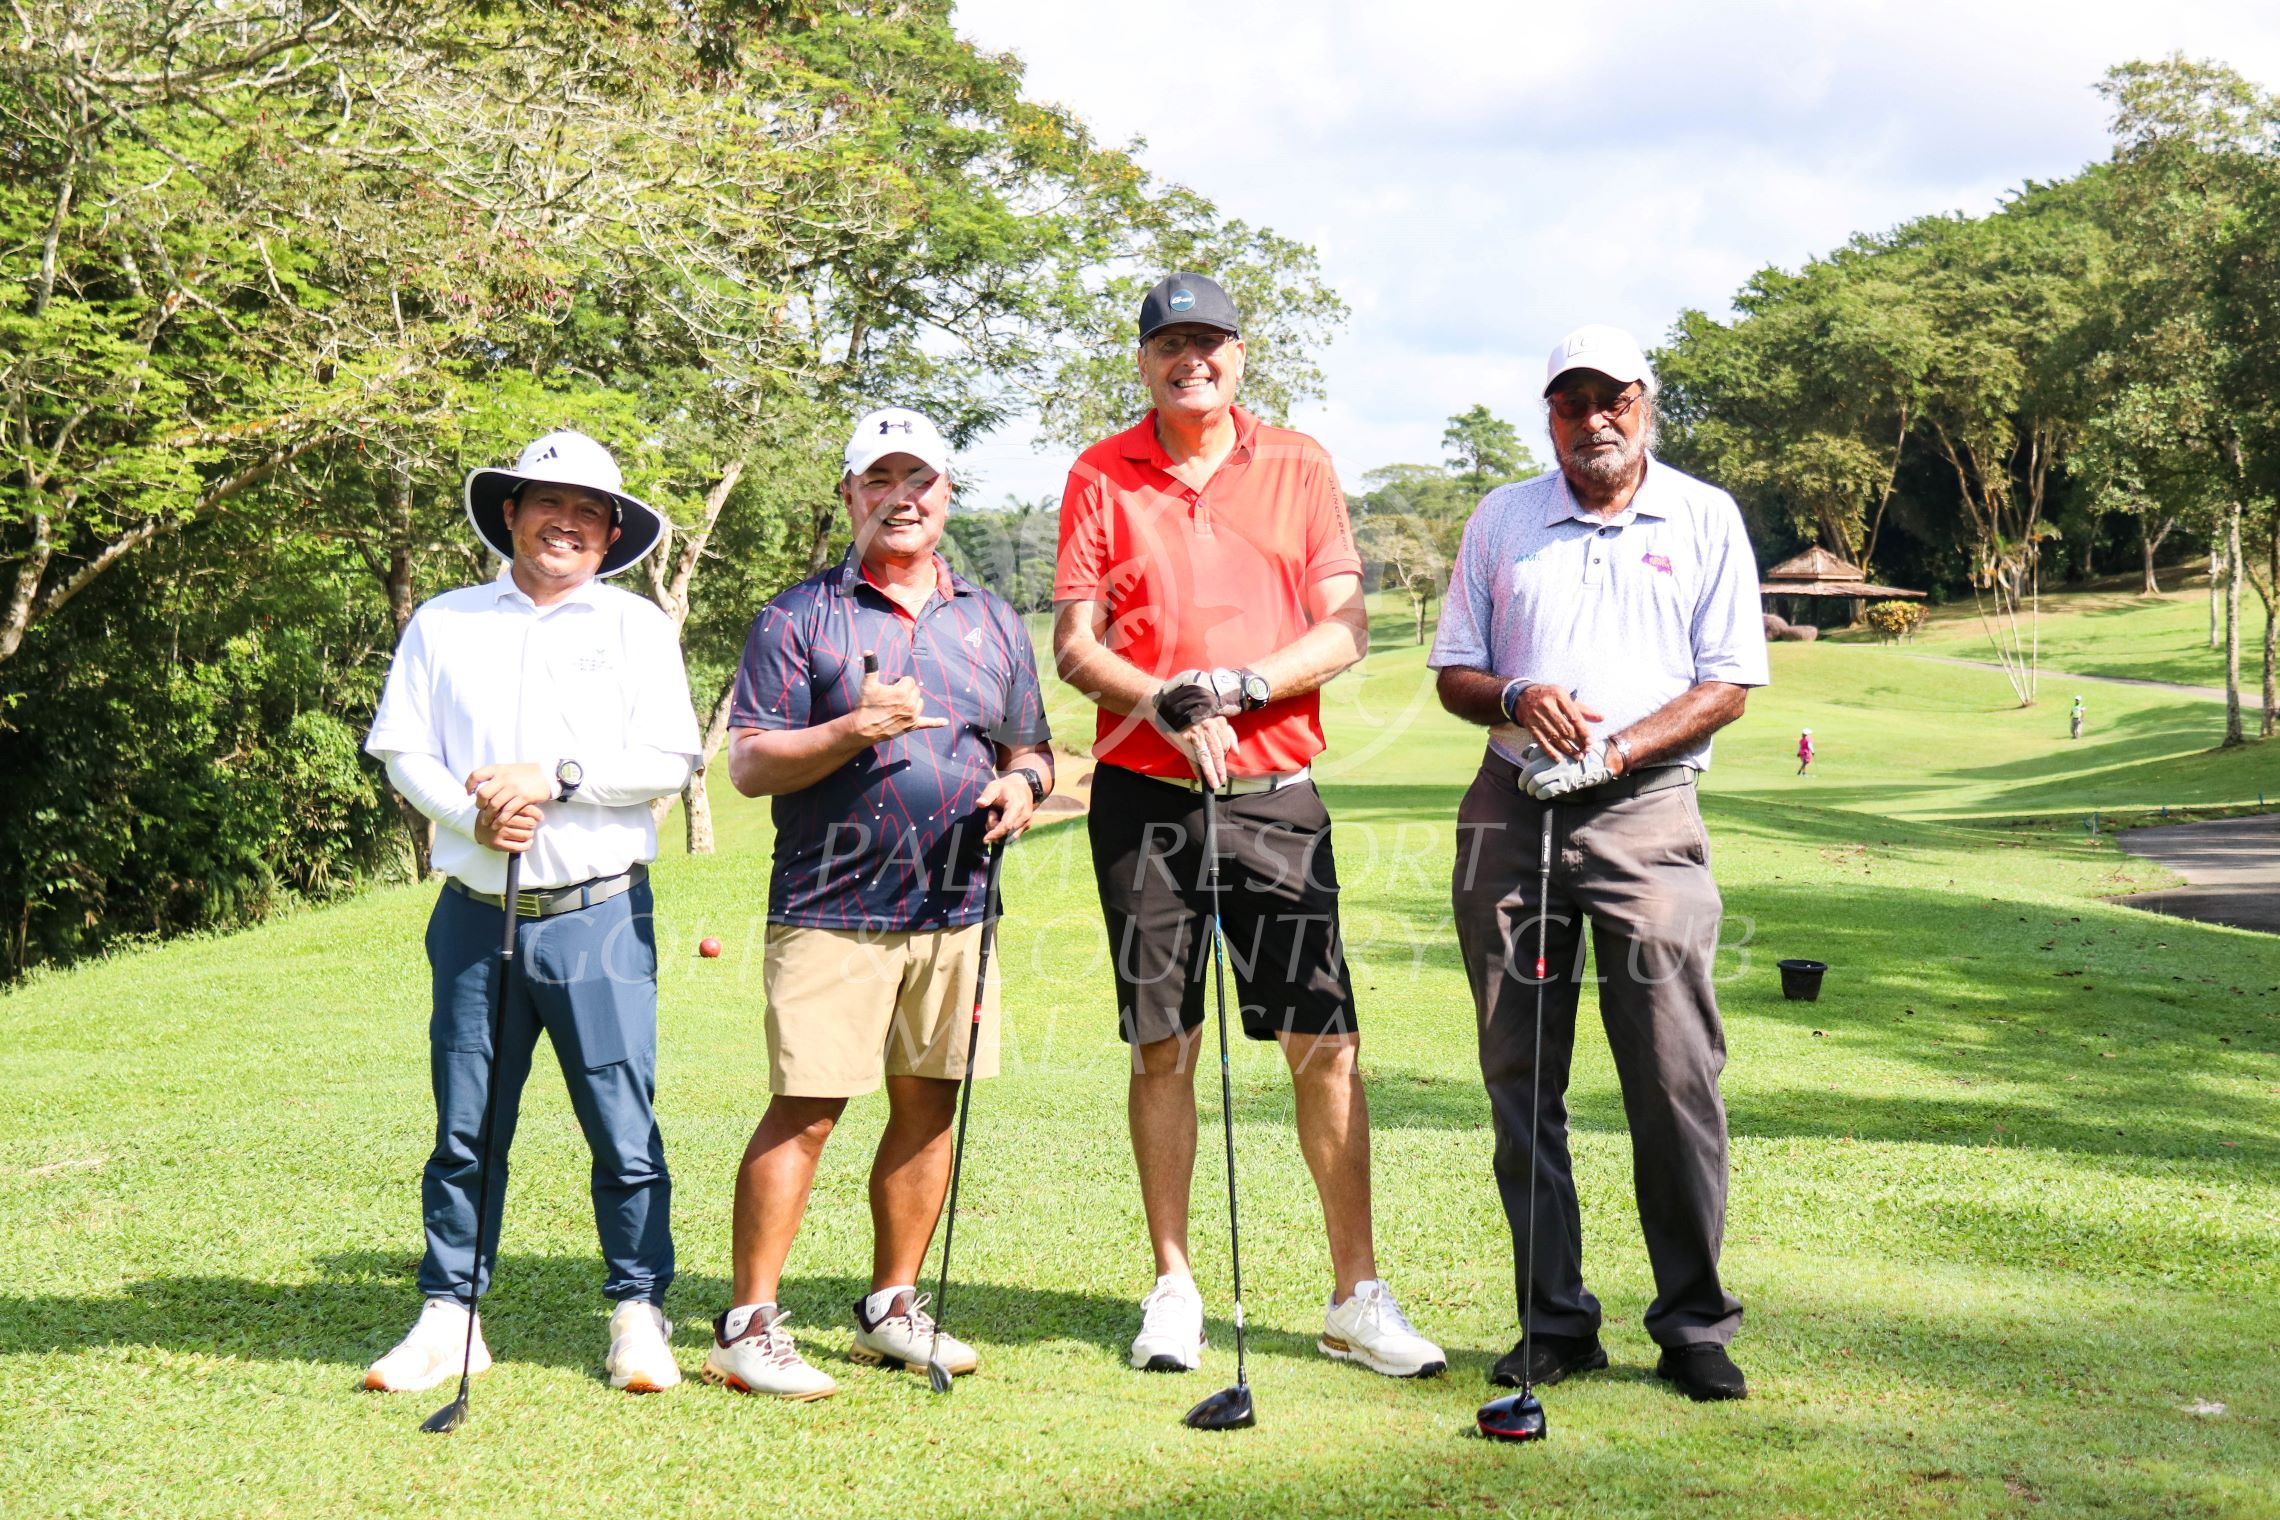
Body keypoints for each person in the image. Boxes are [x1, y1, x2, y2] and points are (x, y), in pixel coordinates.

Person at [1053, 272, 1447, 1381]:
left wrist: (1230, 684)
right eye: (1171, 343)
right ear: (1144, 361)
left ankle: (1353, 1294)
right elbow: (1077, 644)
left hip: (1273, 790)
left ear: (1240, 354)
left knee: (1323, 1040)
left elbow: (1344, 628)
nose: (1194, 359)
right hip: (1144, 796)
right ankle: (1173, 1283)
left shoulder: (1301, 463)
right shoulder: (1100, 472)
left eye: (1211, 342)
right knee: (1162, 1039)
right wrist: (1166, 706)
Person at [1431, 324, 1770, 1403]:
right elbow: (1454, 670)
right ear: (1550, 417)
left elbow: (1728, 682)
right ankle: (1555, 1320)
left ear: (1645, 402)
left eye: (1612, 398)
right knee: (1522, 1077)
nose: (1594, 421)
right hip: (1510, 805)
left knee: (1674, 1073)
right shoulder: (1503, 517)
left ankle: (1693, 1323)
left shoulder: (1704, 514)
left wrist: (1618, 747)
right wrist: (1518, 695)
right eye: (1571, 403)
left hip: (1646, 812)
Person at [708, 407, 1054, 1400]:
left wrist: (1024, 787)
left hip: (957, 904)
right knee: (809, 1107)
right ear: (851, 495)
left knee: (928, 1102)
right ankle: (749, 1322)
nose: (902, 497)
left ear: (946, 497)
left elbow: (1031, 743)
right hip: (831, 902)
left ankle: (892, 1305)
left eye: (922, 481)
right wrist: (855, 727)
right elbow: (750, 762)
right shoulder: (798, 616)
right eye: (880, 480)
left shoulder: (990, 618)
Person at [363, 429, 701, 1397]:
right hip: (473, 910)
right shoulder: (446, 619)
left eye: (589, 510)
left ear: (612, 531)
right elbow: (404, 750)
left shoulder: (635, 627)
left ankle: (639, 1308)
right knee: (466, 1125)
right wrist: (473, 806)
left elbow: (669, 758)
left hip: (597, 913)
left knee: (620, 1124)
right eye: (547, 502)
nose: (568, 522)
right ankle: (450, 1313)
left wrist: (553, 778)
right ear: (509, 512)